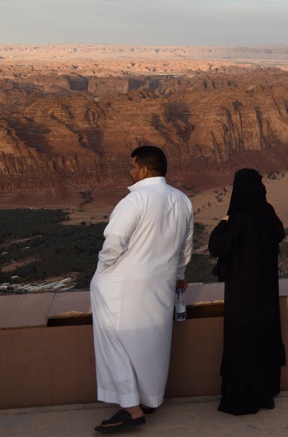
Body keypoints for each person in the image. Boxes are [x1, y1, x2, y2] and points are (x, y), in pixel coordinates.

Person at [90, 145, 194, 433]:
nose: (131, 172)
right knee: (153, 342)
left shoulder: (134, 201)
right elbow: (185, 248)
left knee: (113, 340)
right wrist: (178, 276)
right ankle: (149, 399)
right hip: (162, 283)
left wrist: (103, 269)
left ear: (144, 170)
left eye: (133, 167)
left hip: (123, 285)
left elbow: (113, 241)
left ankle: (130, 408)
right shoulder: (182, 200)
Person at [208, 168, 287, 415]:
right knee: (264, 340)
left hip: (243, 296)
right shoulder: (267, 213)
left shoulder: (240, 220)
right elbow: (280, 233)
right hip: (266, 293)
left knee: (243, 343)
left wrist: (223, 223)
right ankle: (264, 393)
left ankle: (244, 396)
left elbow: (217, 247)